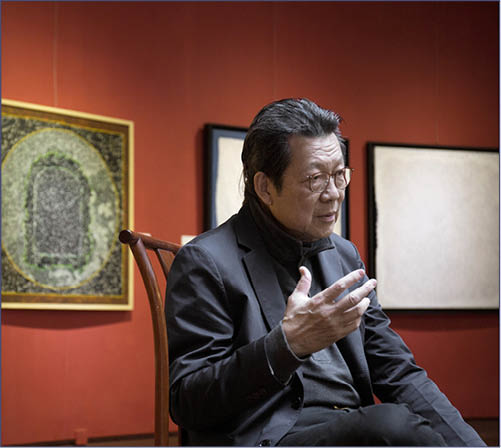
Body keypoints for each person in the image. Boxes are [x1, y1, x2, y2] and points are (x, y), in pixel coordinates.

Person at [165, 98, 486, 446]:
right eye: (315, 179)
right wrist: (287, 346)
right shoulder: (207, 260)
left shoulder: (343, 255)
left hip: (350, 425)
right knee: (389, 424)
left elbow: (398, 372)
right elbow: (188, 401)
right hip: (272, 437)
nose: (333, 194)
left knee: (396, 423)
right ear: (265, 187)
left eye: (339, 175)